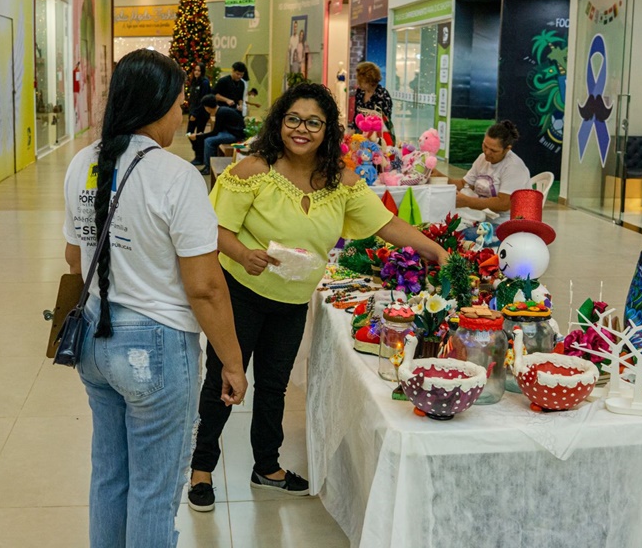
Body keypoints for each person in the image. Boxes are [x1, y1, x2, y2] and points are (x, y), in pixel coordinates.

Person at [186, 82, 448, 512]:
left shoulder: (341, 183)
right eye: (293, 119)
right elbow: (212, 228)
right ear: (279, 122)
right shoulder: (254, 170)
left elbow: (386, 224)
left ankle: (266, 466)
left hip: (291, 302)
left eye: (313, 122)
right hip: (241, 294)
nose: (301, 129)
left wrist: (434, 249)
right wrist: (243, 253)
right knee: (223, 381)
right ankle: (200, 471)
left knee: (273, 386)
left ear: (328, 130)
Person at [62, 49, 247, 547]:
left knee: (109, 476)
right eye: (181, 104)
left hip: (94, 342)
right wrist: (232, 362)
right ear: (158, 105)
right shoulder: (177, 177)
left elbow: (73, 257)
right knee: (154, 490)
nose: (184, 113)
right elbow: (205, 287)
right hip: (155, 350)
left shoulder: (83, 161)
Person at [452, 120, 531, 222]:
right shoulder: (482, 158)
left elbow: (503, 204)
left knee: (455, 234)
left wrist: (468, 202)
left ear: (507, 149)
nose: (487, 152)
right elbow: (464, 184)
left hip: (504, 222)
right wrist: (439, 177)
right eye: (485, 146)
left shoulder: (514, 167)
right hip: (482, 217)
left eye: (493, 150)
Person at [190, 94, 246, 176]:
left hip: (234, 135)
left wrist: (198, 136)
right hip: (231, 132)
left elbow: (215, 132)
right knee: (209, 139)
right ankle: (209, 163)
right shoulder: (221, 110)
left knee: (208, 141)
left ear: (207, 107)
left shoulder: (220, 113)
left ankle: (208, 167)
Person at [353, 61, 393, 128]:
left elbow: (385, 122)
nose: (358, 84)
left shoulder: (383, 95)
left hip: (378, 134)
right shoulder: (360, 92)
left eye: (361, 82)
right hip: (360, 134)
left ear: (370, 80)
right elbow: (356, 116)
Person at [186, 62, 211, 165]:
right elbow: (193, 99)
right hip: (193, 112)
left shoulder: (204, 83)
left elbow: (203, 101)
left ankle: (199, 157)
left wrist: (195, 114)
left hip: (201, 114)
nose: (196, 72)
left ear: (202, 72)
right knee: (189, 134)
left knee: (198, 134)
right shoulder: (194, 82)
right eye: (195, 70)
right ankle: (199, 153)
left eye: (199, 70)